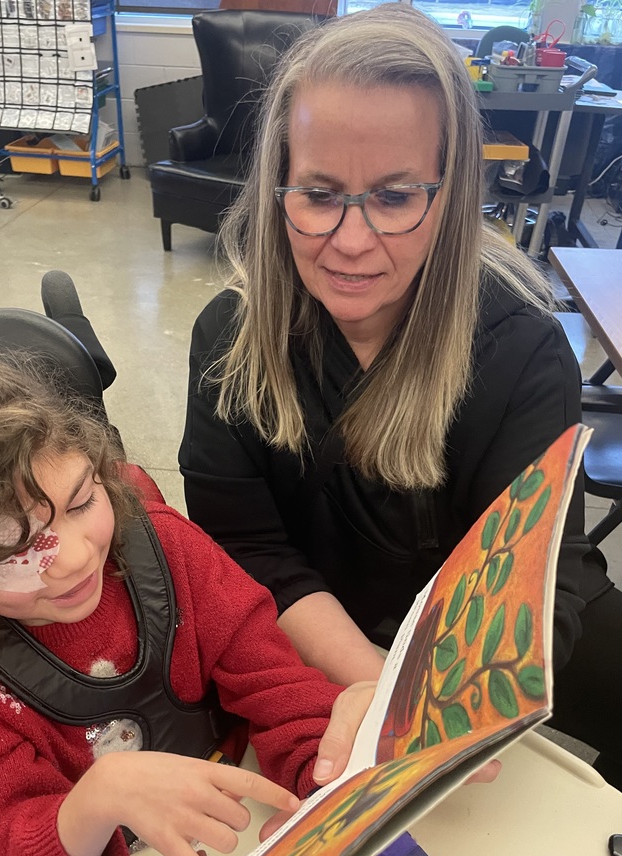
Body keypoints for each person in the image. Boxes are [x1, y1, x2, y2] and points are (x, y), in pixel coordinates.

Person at [0, 342, 446, 856]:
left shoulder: (164, 553)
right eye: (14, 546)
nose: (78, 556)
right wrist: (90, 806)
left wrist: (360, 826)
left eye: (82, 502)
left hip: (228, 850)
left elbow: (284, 696)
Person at [179, 2, 622, 789]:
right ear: (276, 184)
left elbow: (529, 578)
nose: (351, 242)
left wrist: (433, 698)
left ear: (449, 196)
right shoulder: (228, 344)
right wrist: (380, 683)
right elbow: (249, 554)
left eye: (393, 196)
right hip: (310, 634)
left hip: (474, 638)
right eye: (318, 194)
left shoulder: (522, 354)